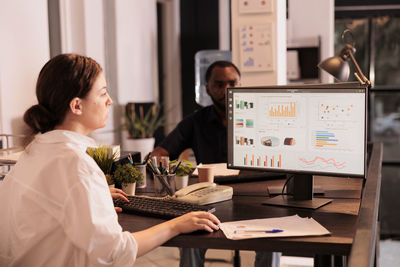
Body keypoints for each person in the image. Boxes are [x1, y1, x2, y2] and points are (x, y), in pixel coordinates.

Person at [0, 54, 220, 266]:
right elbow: (113, 253)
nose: (110, 101)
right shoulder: (77, 164)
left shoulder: (34, 151)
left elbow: (47, 211)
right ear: (76, 105)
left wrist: (94, 202)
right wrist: (176, 225)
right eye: (103, 93)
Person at [151, 61, 280, 267]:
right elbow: (161, 153)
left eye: (232, 83)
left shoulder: (260, 117)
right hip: (210, 199)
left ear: (240, 85)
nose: (227, 90)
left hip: (255, 196)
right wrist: (158, 160)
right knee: (189, 238)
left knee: (273, 238)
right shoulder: (195, 121)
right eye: (219, 85)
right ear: (207, 89)